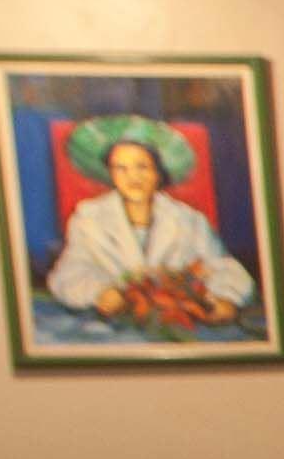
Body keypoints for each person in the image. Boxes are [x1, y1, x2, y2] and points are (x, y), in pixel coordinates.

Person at [37, 115, 255, 330]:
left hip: (179, 323)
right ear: (110, 173)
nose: (133, 177)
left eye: (142, 167)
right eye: (120, 168)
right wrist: (98, 292)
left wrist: (227, 296)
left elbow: (222, 266)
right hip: (112, 328)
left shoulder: (190, 220)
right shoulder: (89, 218)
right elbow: (69, 272)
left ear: (158, 171)